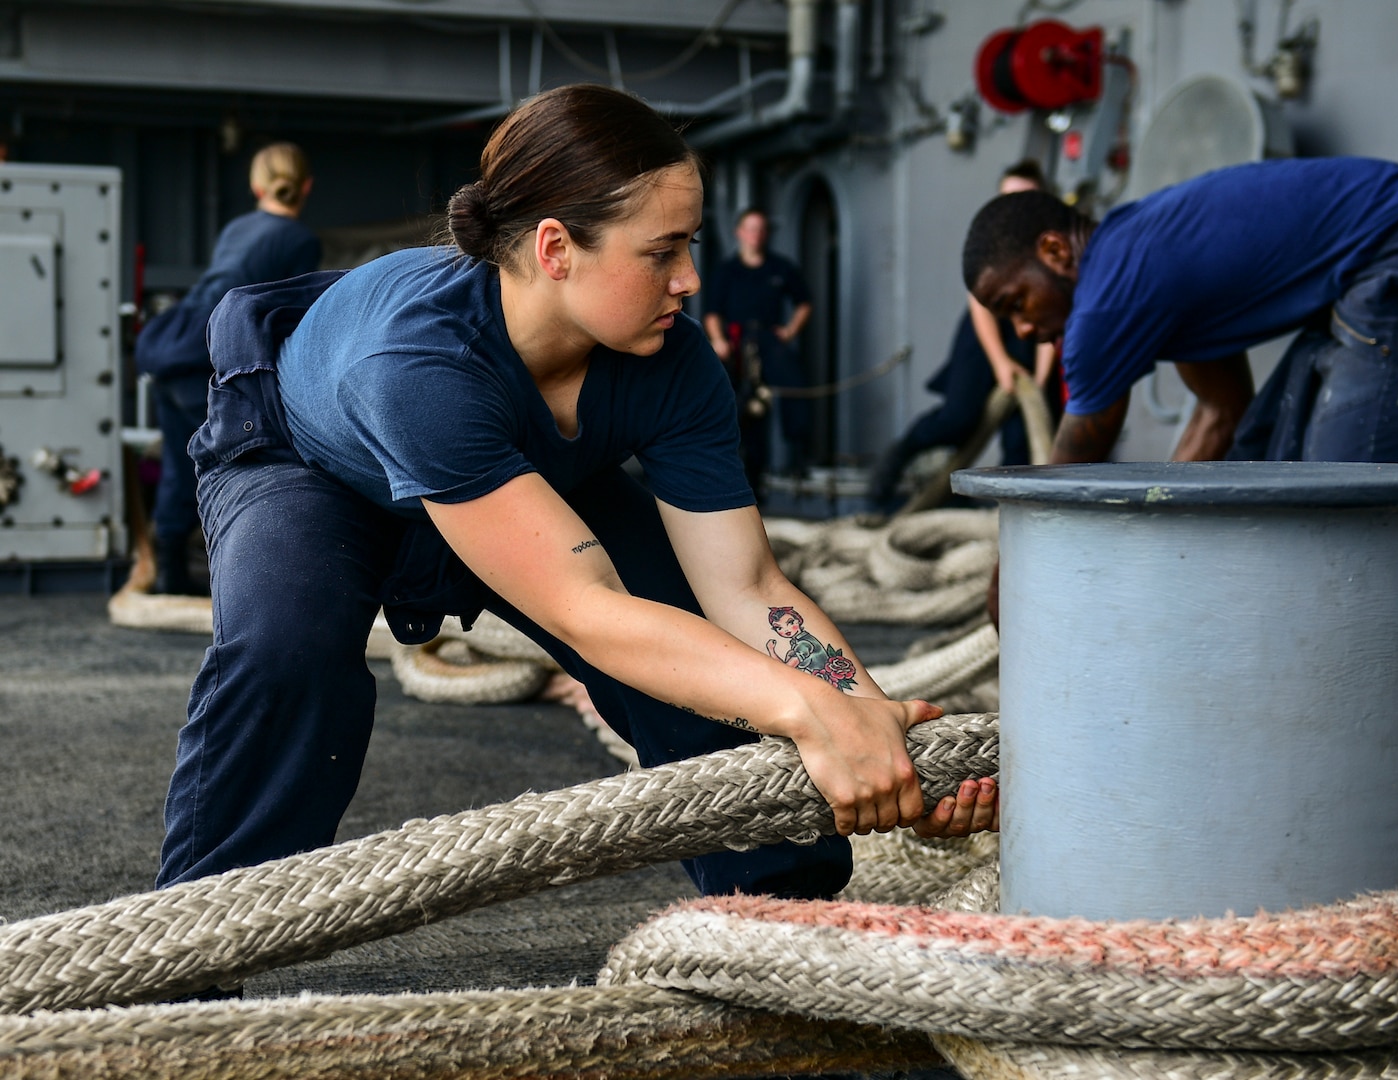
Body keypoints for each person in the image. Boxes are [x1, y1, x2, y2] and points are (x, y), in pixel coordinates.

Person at [158, 85, 996, 903]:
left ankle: (779, 914)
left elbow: (747, 588)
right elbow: (583, 610)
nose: (691, 279)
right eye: (661, 251)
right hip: (309, 464)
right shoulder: (419, 366)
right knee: (286, 653)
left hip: (518, 466)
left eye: (692, 244)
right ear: (557, 250)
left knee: (696, 652)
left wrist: (877, 729)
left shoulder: (669, 363)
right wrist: (813, 714)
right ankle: (185, 956)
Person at [961, 156, 1398, 706]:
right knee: (1266, 463)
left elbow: (1063, 479)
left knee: (1348, 524)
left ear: (1056, 250)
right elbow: (1223, 415)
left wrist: (1008, 581)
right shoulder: (1138, 260)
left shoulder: (1106, 299)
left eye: (1016, 302)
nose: (1023, 329)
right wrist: (1160, 566)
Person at [134, 142, 321, 595]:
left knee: (182, 468)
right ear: (307, 187)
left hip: (177, 350)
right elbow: (290, 316)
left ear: (256, 186)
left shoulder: (238, 227)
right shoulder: (300, 241)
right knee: (241, 469)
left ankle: (171, 579)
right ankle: (240, 588)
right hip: (214, 359)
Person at [868, 161, 1058, 506]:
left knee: (1020, 439)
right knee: (959, 418)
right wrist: (1000, 363)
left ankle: (1007, 519)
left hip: (1031, 330)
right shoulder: (991, 239)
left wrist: (1039, 382)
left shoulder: (1051, 247)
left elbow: (1052, 318)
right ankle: (897, 460)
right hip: (985, 328)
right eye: (1007, 197)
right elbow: (980, 304)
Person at [702, 208, 814, 494]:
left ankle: (798, 458)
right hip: (736, 342)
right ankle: (746, 476)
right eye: (750, 229)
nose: (756, 235)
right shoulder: (728, 271)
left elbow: (804, 302)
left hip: (769, 337)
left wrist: (789, 331)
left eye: (761, 229)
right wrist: (718, 341)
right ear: (739, 233)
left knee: (794, 387)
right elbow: (713, 313)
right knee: (743, 407)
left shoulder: (780, 267)